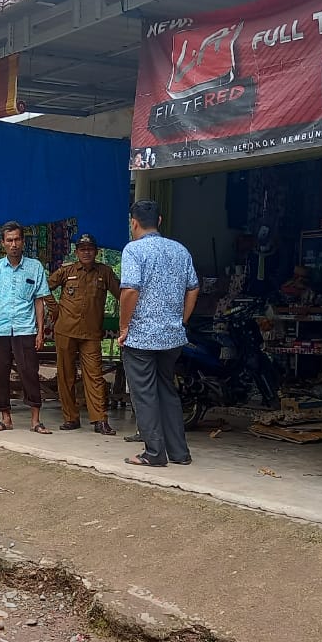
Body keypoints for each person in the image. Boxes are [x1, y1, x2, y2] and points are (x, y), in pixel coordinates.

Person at [118, 200, 199, 467]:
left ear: (134, 222)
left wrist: (124, 327)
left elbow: (130, 290)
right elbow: (194, 288)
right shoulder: (180, 250)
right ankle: (179, 452)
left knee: (144, 394)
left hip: (141, 337)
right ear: (160, 221)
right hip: (172, 337)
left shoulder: (134, 250)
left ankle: (154, 453)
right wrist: (181, 320)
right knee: (167, 390)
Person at [0, 222, 52, 433]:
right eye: (9, 240)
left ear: (23, 242)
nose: (13, 244)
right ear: (3, 243)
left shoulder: (35, 267)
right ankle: (5, 418)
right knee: (0, 373)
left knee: (29, 372)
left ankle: (36, 420)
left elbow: (40, 301)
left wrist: (40, 331)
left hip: (25, 328)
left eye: (17, 239)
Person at [46, 233, 119, 435]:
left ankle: (100, 420)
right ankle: (70, 418)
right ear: (77, 252)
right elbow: (44, 288)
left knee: (94, 376)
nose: (86, 252)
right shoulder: (67, 271)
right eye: (82, 249)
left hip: (91, 334)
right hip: (65, 331)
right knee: (66, 376)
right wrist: (55, 310)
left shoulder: (104, 272)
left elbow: (122, 294)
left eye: (90, 249)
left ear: (96, 251)